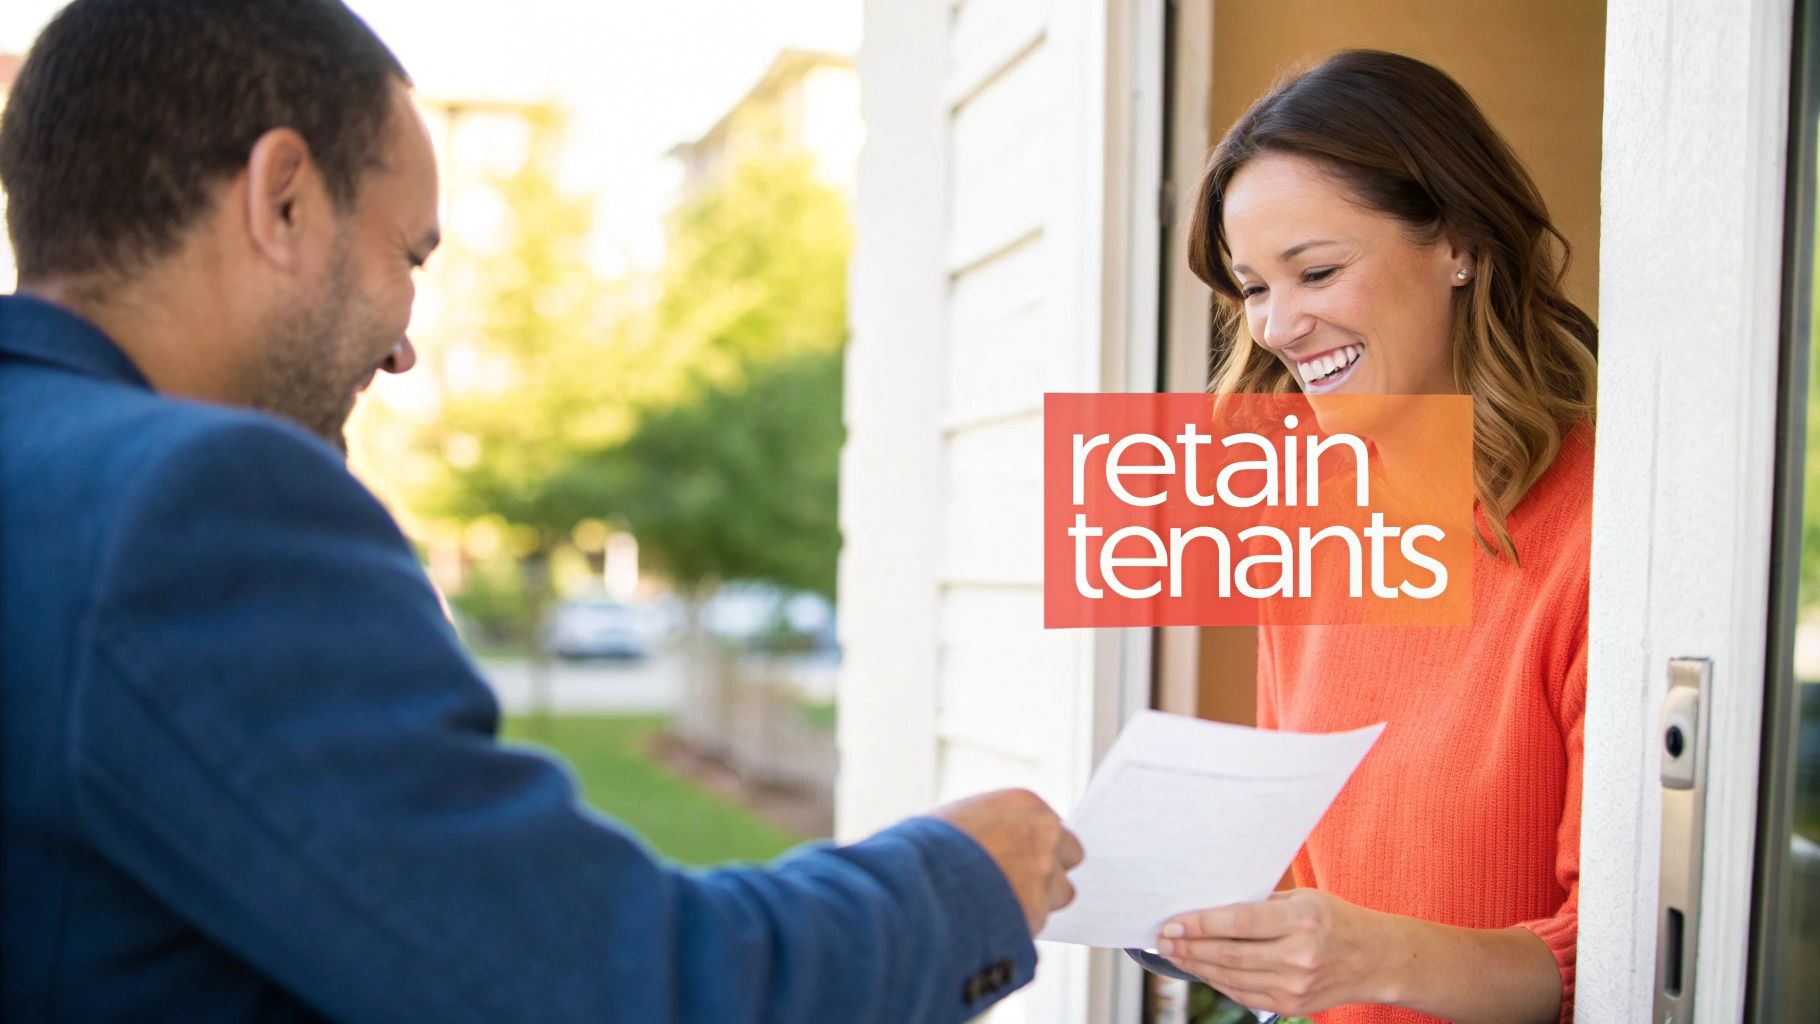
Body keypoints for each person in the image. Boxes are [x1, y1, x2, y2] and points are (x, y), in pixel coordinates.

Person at [0, 2, 1082, 1021]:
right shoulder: (196, 506)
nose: (402, 344)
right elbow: (610, 988)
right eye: (408, 254)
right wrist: (956, 882)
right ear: (282, 197)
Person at [1137, 51, 1596, 1024]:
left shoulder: (1604, 530)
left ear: (1460, 242)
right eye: (1252, 286)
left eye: (1315, 270)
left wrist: (1365, 956)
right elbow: (1314, 881)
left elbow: (1613, 955)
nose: (1273, 326)